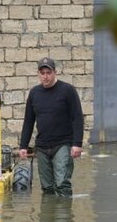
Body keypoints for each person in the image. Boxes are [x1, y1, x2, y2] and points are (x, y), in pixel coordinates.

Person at [19, 58, 84, 197]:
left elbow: (77, 117)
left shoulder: (67, 90)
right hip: (42, 146)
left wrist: (77, 144)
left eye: (48, 72)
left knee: (62, 184)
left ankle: (64, 216)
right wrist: (23, 146)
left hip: (63, 144)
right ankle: (49, 216)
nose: (45, 76)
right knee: (47, 187)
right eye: (42, 73)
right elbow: (29, 121)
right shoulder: (34, 93)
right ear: (38, 74)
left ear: (55, 72)